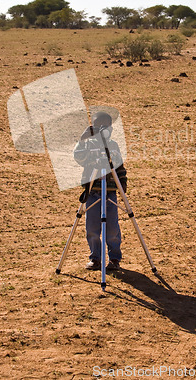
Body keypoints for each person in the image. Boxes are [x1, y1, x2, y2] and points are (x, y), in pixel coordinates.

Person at [74, 111, 127, 271]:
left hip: (110, 192)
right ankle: (95, 258)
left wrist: (122, 184)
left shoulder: (114, 145)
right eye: (97, 125)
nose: (101, 129)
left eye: (105, 125)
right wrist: (83, 139)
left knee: (112, 228)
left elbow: (119, 166)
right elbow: (79, 157)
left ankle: (114, 259)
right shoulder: (88, 144)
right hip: (92, 191)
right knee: (92, 228)